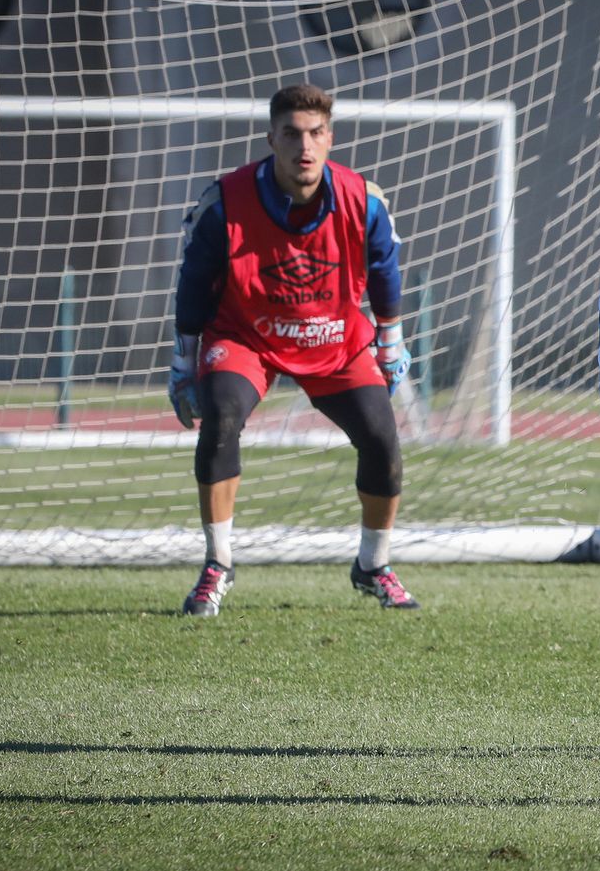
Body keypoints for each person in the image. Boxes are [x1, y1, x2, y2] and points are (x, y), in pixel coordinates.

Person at [167, 83, 420, 616]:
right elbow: (193, 282)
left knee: (381, 437)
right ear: (271, 139)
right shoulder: (226, 203)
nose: (304, 146)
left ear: (330, 138)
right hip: (247, 335)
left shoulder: (363, 200)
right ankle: (218, 564)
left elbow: (385, 273)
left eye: (315, 133)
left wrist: (392, 343)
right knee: (222, 417)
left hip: (333, 334)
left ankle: (374, 565)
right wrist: (182, 361)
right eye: (292, 134)